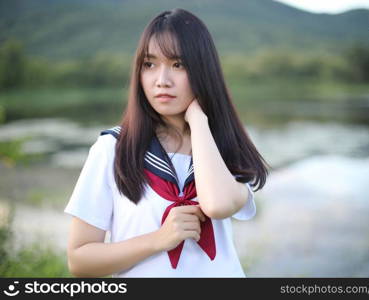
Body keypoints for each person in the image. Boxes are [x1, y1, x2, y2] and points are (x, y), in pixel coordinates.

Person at [64, 8, 269, 278]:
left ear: (203, 71)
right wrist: (158, 239)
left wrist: (198, 120)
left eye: (178, 65)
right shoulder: (113, 150)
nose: (161, 81)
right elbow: (80, 261)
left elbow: (217, 205)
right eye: (150, 64)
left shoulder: (221, 147)